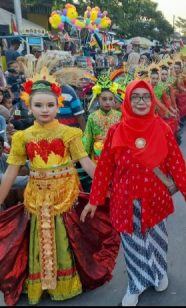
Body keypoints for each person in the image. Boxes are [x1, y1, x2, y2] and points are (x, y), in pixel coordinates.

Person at [80, 80, 186, 306]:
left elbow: (176, 163)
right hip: (124, 198)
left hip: (154, 197)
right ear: (126, 100)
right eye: (135, 97)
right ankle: (135, 284)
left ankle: (158, 272)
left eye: (145, 97)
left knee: (157, 239)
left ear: (152, 100)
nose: (141, 101)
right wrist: (95, 200)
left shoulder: (162, 128)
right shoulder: (116, 130)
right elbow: (105, 167)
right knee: (132, 243)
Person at [0, 72, 118, 305]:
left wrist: (109, 187)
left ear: (58, 105)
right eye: (38, 105)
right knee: (38, 238)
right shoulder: (22, 137)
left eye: (50, 105)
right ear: (29, 106)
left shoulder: (70, 134)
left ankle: (66, 282)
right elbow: (11, 173)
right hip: (36, 197)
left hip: (66, 194)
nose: (45, 109)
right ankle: (41, 283)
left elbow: (86, 163)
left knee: (67, 237)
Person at [83, 74, 122, 164]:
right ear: (97, 99)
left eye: (110, 99)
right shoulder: (92, 117)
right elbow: (88, 138)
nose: (107, 102)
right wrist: (84, 157)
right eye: (104, 99)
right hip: (97, 157)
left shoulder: (120, 116)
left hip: (115, 154)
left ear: (114, 100)